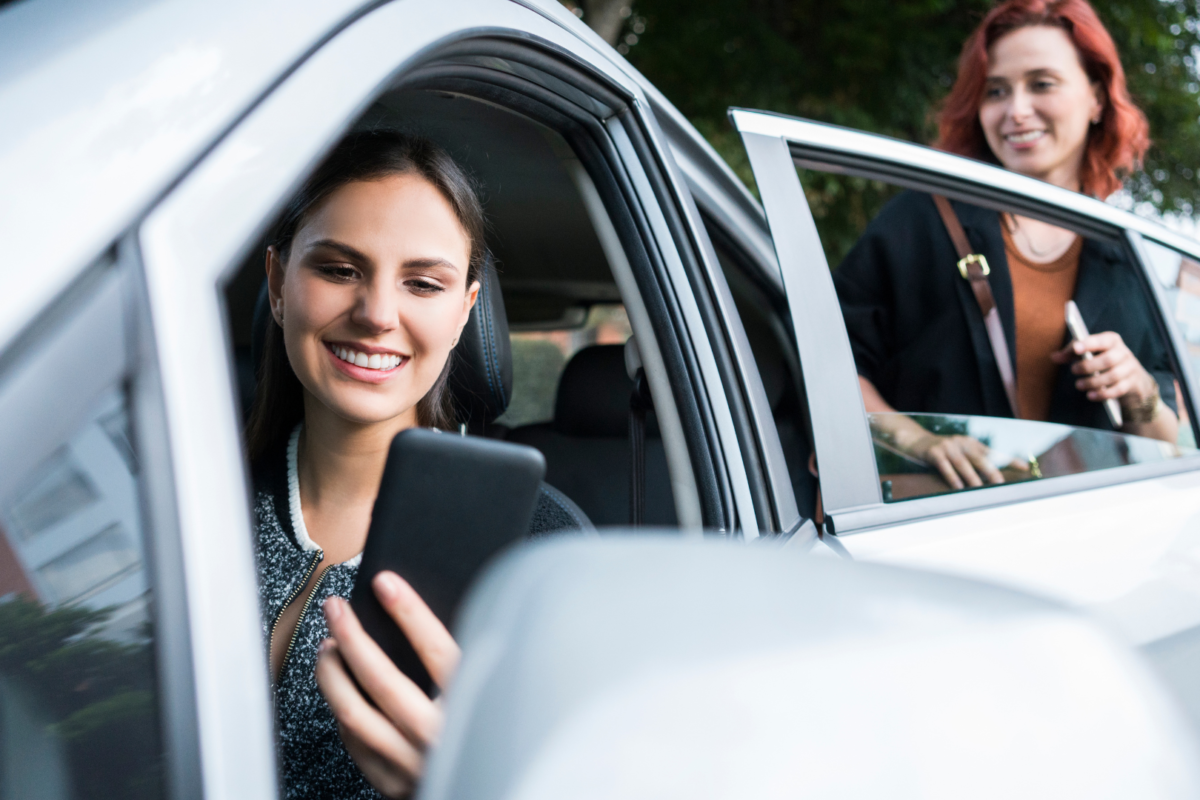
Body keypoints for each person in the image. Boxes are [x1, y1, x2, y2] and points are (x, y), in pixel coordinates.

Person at [246, 131, 574, 799]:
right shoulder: (181, 497)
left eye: (422, 284)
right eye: (339, 270)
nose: (376, 315)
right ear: (279, 284)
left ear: (464, 313)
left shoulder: (539, 556)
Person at [834, 0, 1179, 491]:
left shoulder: (1128, 256)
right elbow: (828, 360)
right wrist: (918, 441)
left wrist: (1138, 387)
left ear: (1097, 99)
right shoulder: (921, 218)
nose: (1016, 111)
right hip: (925, 525)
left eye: (1042, 83)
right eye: (997, 90)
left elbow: (1172, 451)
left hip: (1087, 534)